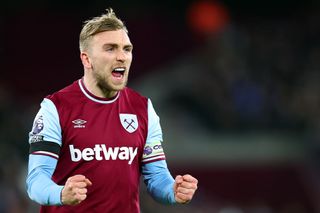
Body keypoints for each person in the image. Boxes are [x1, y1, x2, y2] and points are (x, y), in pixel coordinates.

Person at [26, 8, 198, 212]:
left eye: (127, 49)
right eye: (110, 48)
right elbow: (36, 180)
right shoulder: (55, 108)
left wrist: (173, 190)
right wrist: (61, 194)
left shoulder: (143, 108)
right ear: (86, 59)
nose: (122, 57)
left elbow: (157, 177)